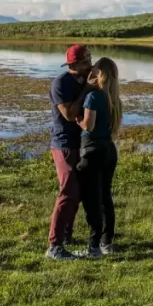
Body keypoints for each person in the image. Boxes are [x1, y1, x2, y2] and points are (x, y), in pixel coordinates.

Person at [45, 44, 93, 261]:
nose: (89, 64)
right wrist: (88, 90)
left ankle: (66, 235)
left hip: (79, 143)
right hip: (64, 144)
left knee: (77, 193)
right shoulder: (60, 83)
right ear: (73, 65)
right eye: (85, 62)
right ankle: (54, 247)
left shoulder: (83, 80)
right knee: (67, 192)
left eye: (90, 59)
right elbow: (69, 114)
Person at [75, 57, 123, 259]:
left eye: (94, 67)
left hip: (92, 150)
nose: (90, 68)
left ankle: (93, 247)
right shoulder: (114, 98)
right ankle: (106, 242)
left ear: (99, 73)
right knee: (105, 197)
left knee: (91, 200)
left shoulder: (93, 97)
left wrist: (78, 120)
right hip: (109, 150)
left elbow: (89, 125)